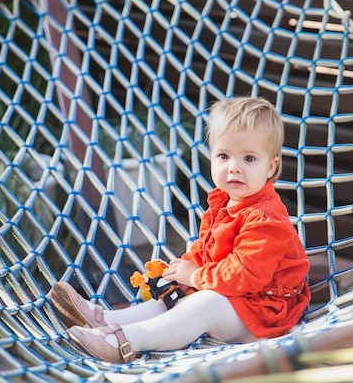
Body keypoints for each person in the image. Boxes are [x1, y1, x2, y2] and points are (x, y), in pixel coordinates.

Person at [51, 97, 311, 363]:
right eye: (223, 156)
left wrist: (196, 275)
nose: (234, 167)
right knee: (170, 298)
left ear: (271, 167)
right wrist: (182, 270)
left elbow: (244, 275)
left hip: (264, 312)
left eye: (249, 158)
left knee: (204, 304)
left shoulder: (266, 220)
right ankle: (105, 320)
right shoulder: (223, 201)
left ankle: (125, 342)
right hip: (231, 294)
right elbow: (206, 250)